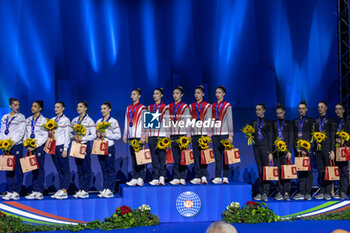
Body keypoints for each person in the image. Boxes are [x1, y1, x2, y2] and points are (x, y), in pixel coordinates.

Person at [0, 98, 26, 200]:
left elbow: (21, 132)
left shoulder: (21, 117)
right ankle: (10, 191)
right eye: (15, 105)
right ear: (10, 106)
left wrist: (12, 143)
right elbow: (2, 130)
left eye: (18, 105)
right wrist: (2, 143)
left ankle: (16, 191)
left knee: (18, 168)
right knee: (8, 168)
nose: (17, 107)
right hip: (6, 145)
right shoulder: (5, 117)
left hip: (16, 145)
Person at [95, 101, 121, 198]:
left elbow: (118, 136)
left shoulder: (113, 121)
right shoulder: (98, 121)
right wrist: (97, 135)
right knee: (103, 169)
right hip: (100, 147)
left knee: (110, 168)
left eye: (104, 108)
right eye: (101, 109)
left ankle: (110, 189)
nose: (102, 110)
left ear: (109, 109)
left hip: (109, 147)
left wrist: (107, 134)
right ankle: (105, 188)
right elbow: (95, 134)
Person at [71, 101, 96, 198]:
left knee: (86, 168)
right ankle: (81, 189)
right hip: (76, 145)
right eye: (77, 106)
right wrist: (73, 136)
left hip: (84, 146)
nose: (78, 108)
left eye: (80, 106)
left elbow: (93, 135)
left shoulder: (89, 121)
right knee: (79, 168)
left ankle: (85, 190)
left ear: (85, 108)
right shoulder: (74, 120)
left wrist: (83, 138)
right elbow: (70, 133)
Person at [123, 88, 147, 186]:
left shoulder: (143, 108)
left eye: (134, 94)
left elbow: (146, 123)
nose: (132, 96)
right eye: (131, 94)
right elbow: (126, 122)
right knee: (133, 158)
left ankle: (141, 177)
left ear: (139, 96)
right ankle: (135, 177)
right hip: (131, 136)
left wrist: (143, 136)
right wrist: (125, 134)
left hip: (139, 136)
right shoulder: (128, 108)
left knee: (140, 157)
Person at [24, 100, 48, 200]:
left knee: (39, 168)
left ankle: (40, 191)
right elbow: (25, 133)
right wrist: (27, 144)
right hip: (30, 147)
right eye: (32, 106)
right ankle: (34, 190)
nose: (32, 108)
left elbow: (45, 135)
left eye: (35, 106)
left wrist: (36, 145)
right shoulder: (28, 120)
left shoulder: (44, 120)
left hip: (39, 147)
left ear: (40, 108)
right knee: (33, 168)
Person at [189, 85, 212, 185]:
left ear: (203, 94)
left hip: (204, 134)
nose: (196, 95)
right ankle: (197, 176)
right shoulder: (191, 106)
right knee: (196, 155)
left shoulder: (207, 106)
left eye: (198, 93)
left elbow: (210, 120)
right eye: (195, 93)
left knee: (204, 156)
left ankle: (204, 176)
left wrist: (209, 135)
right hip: (194, 134)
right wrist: (188, 134)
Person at [211, 86, 233, 184]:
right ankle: (218, 176)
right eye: (216, 92)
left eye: (219, 92)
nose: (217, 94)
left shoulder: (227, 105)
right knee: (217, 155)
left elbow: (230, 121)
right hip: (215, 134)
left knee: (225, 156)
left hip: (224, 134)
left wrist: (230, 135)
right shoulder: (213, 106)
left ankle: (225, 176)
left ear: (223, 94)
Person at [292, 100, 314, 201]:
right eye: (299, 108)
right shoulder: (295, 121)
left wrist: (307, 149)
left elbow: (313, 136)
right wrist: (296, 147)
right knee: (300, 171)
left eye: (303, 108)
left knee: (308, 171)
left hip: (307, 150)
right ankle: (301, 192)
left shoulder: (310, 121)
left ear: (306, 109)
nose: (301, 110)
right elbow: (293, 136)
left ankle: (308, 193)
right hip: (298, 150)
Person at [169, 86, 191, 185]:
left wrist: (187, 135)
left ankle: (183, 177)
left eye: (177, 93)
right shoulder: (169, 107)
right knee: (175, 157)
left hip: (182, 135)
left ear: (181, 95)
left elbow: (187, 122)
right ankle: (176, 177)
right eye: (174, 93)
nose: (175, 95)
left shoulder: (185, 107)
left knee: (183, 157)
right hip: (173, 135)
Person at [313, 100, 335, 201]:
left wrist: (332, 150)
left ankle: (328, 191)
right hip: (318, 149)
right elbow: (313, 135)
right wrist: (314, 146)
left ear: (326, 108)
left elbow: (332, 136)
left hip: (327, 148)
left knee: (328, 170)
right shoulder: (316, 121)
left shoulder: (330, 121)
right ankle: (322, 191)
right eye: (318, 107)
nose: (319, 108)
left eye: (322, 107)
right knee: (321, 170)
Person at [251, 102, 273, 202]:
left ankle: (265, 193)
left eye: (259, 109)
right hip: (256, 148)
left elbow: (271, 138)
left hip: (265, 148)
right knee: (260, 171)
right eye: (256, 110)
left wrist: (270, 152)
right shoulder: (253, 123)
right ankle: (260, 192)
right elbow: (251, 136)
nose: (257, 111)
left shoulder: (268, 123)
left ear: (264, 110)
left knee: (266, 171)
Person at [147, 88, 169, 186]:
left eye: (157, 94)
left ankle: (162, 177)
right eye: (154, 94)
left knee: (162, 157)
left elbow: (167, 123)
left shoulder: (165, 107)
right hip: (152, 135)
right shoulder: (149, 107)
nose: (155, 95)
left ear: (161, 95)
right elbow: (147, 123)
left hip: (162, 135)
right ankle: (155, 177)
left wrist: (167, 136)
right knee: (154, 157)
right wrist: (146, 134)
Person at [272, 103, 293, 201]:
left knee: (287, 172)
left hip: (285, 152)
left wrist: (289, 151)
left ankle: (286, 192)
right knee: (278, 172)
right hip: (276, 152)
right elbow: (272, 138)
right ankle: (279, 191)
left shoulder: (289, 123)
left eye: (280, 113)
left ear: (284, 112)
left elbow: (290, 138)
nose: (279, 115)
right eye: (277, 113)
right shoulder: (274, 124)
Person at [50, 102, 71, 200]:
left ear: (63, 108)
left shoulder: (65, 120)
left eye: (58, 107)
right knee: (58, 169)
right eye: (55, 107)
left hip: (62, 146)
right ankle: (61, 188)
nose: (56, 109)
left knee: (64, 169)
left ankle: (65, 190)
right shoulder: (52, 120)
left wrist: (66, 149)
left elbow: (67, 135)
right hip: (53, 146)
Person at [333, 103, 349, 200]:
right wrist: (336, 140)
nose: (338, 111)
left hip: (345, 149)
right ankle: (338, 190)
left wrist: (344, 140)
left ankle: (343, 191)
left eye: (340, 109)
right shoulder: (333, 122)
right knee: (337, 171)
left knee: (344, 171)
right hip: (336, 150)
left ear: (343, 110)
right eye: (336, 109)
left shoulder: (347, 122)